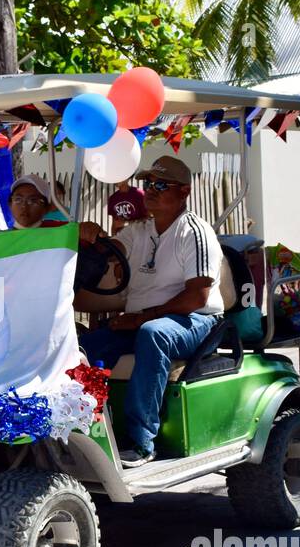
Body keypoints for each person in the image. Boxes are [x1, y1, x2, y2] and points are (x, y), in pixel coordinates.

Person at [77, 156, 224, 468]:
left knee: (153, 334)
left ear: (184, 191)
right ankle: (85, 431)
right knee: (82, 348)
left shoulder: (195, 232)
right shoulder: (139, 231)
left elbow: (197, 296)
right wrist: (91, 235)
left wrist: (143, 317)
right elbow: (109, 249)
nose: (151, 191)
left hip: (194, 320)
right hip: (146, 318)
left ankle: (141, 441)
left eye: (160, 185)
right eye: (148, 184)